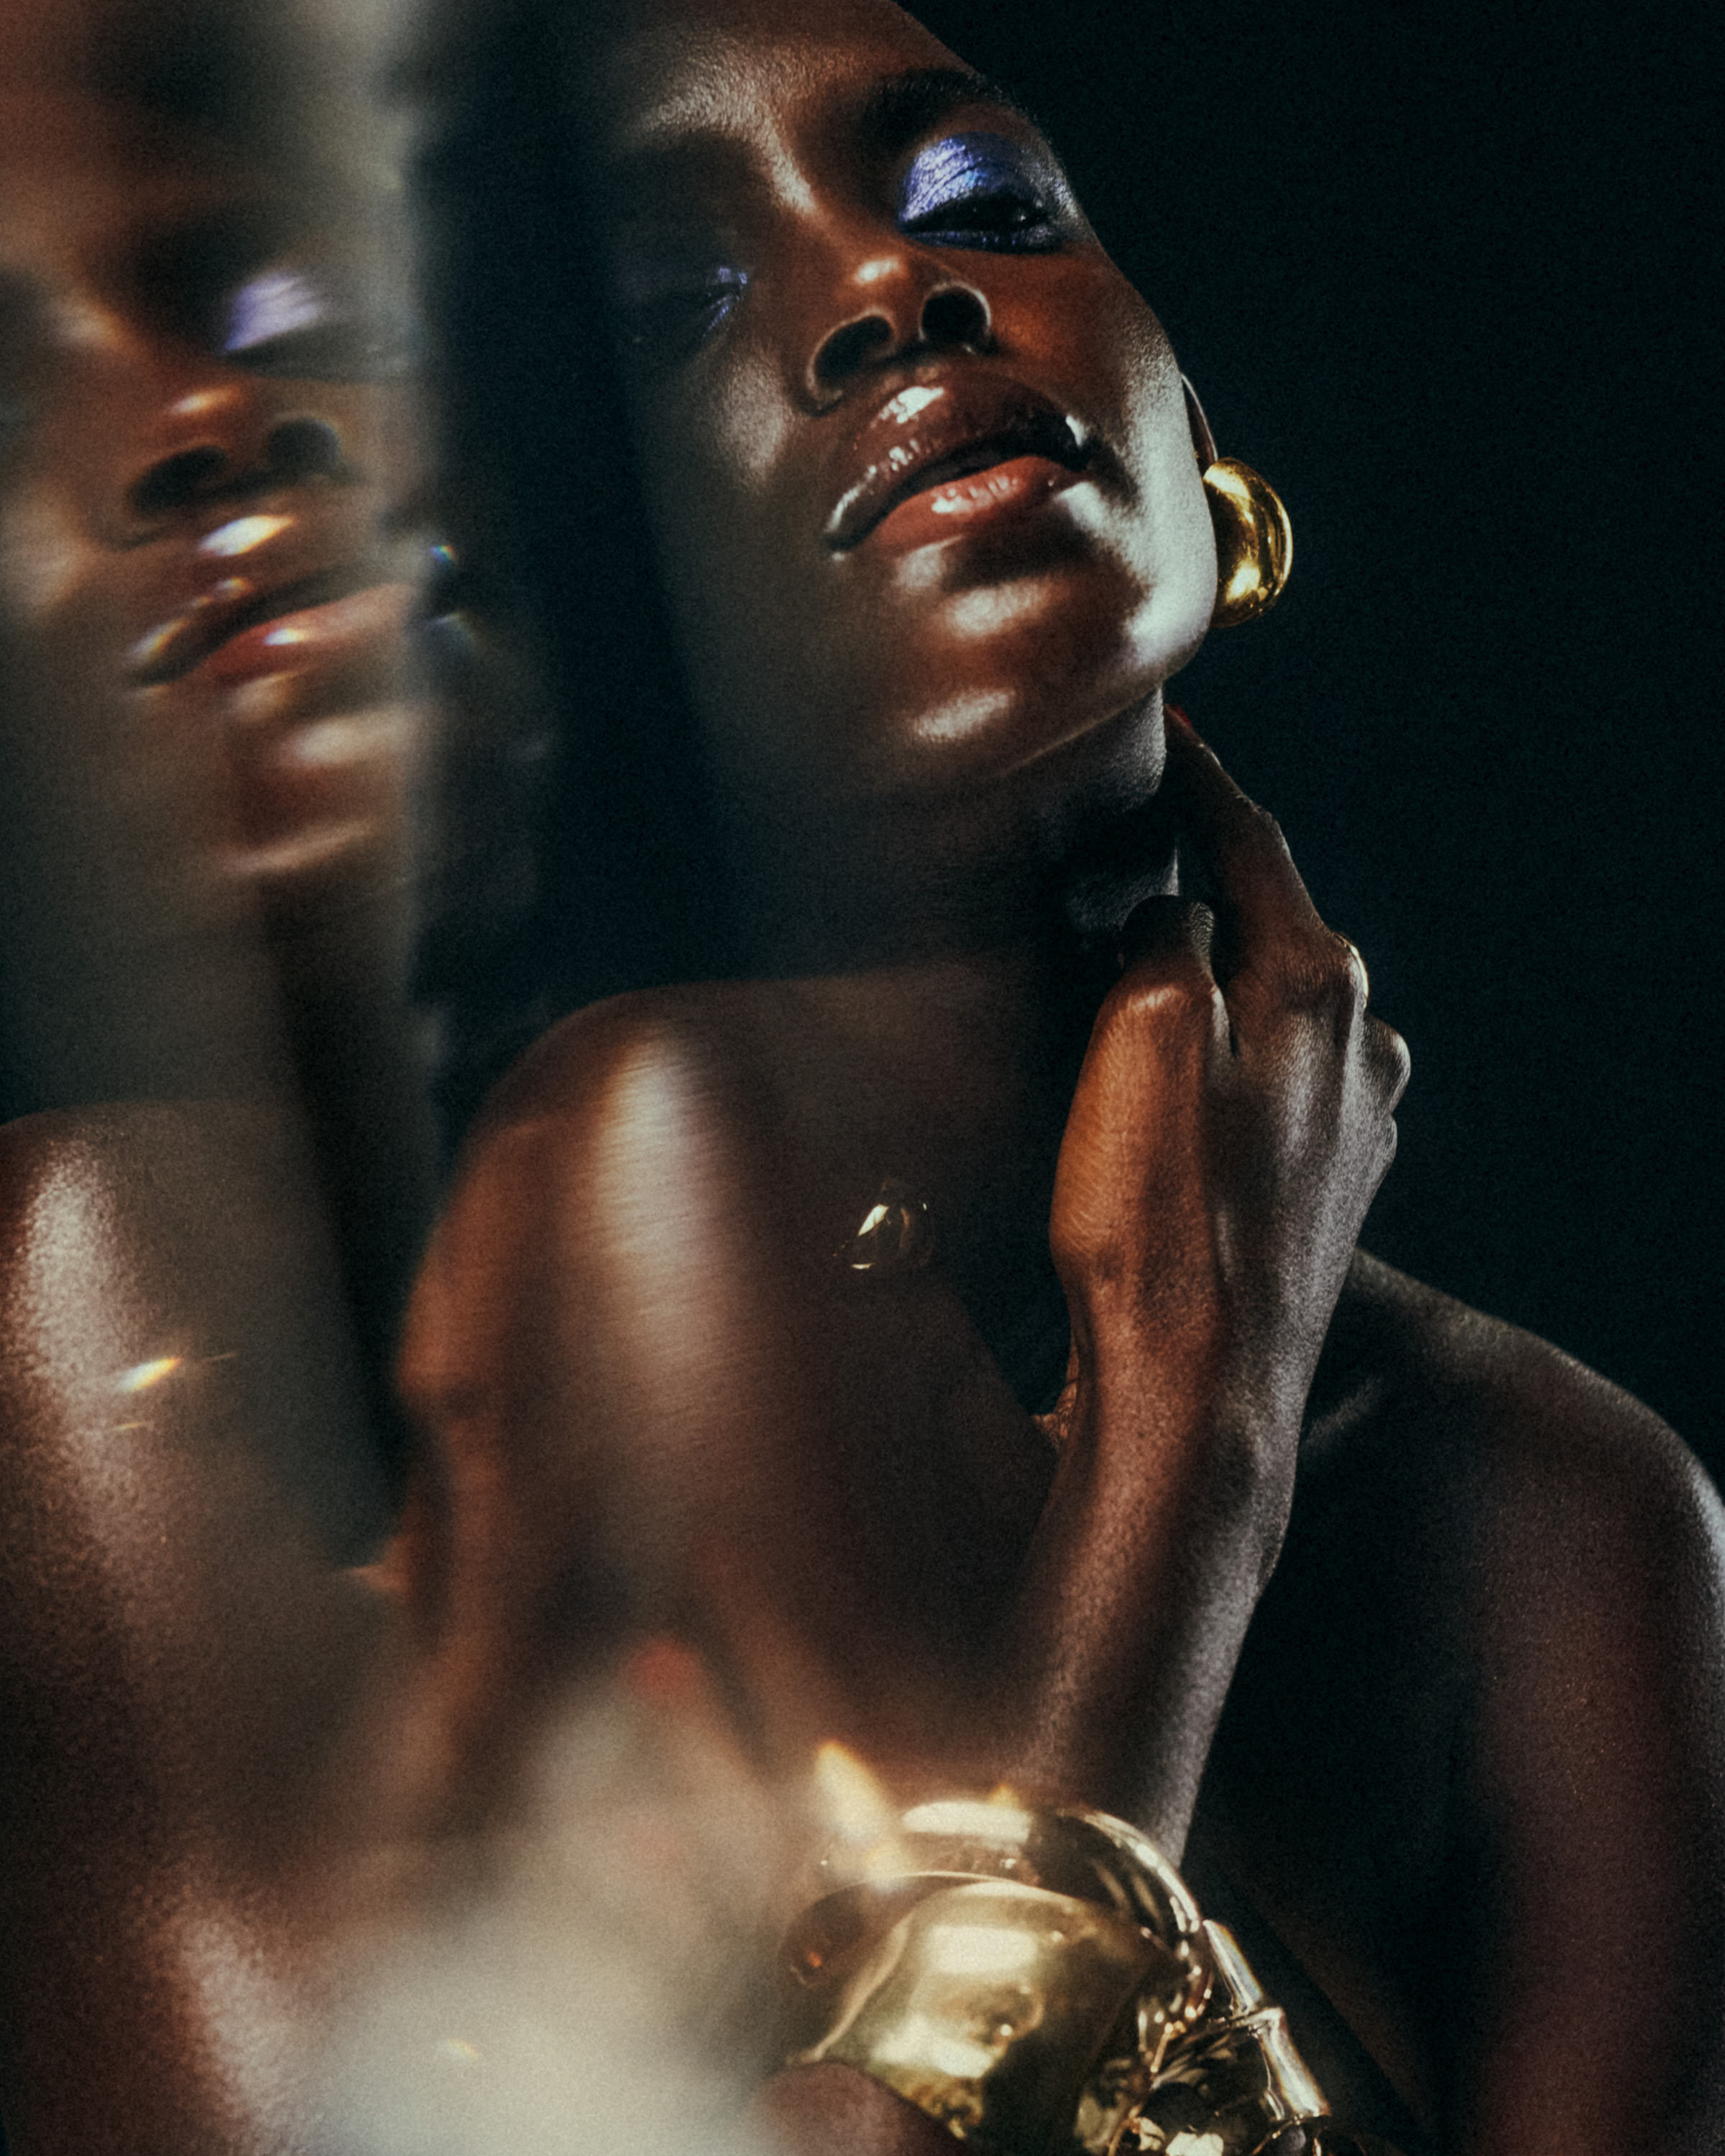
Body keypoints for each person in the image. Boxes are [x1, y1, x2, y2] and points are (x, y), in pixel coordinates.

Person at [392, 1, 1725, 2152]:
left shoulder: (1579, 1515)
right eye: (670, 313)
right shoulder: (632, 1167)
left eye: (991, 208)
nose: (896, 292)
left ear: (1203, 430)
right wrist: (1187, 1465)